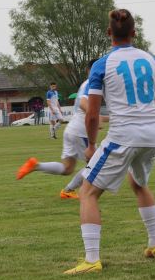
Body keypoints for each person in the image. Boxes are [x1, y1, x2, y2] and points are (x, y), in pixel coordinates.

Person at [63, 8, 155, 275]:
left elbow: (92, 113)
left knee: (87, 192)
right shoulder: (151, 60)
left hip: (123, 135)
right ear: (134, 33)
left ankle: (92, 260)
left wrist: (91, 145)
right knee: (139, 183)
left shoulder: (102, 64)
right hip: (150, 135)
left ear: (108, 33)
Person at [16, 59, 106, 200]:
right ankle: (69, 190)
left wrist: (109, 117)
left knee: (67, 168)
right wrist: (96, 117)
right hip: (81, 131)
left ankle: (36, 165)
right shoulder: (93, 83)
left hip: (72, 129)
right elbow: (84, 104)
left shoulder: (85, 84)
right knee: (96, 165)